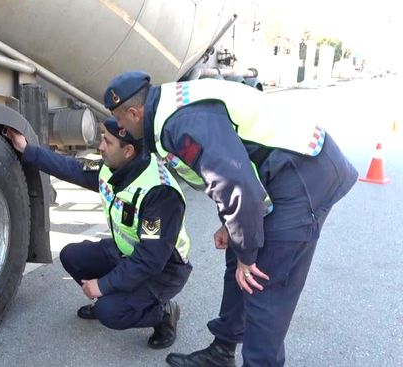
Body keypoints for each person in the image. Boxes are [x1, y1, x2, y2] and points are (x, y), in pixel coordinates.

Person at [102, 71, 358, 366]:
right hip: (280, 171)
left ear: (134, 113)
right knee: (240, 258)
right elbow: (231, 168)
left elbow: (235, 184)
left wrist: (248, 254)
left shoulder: (180, 123)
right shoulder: (170, 106)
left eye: (120, 122)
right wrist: (232, 228)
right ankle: (222, 352)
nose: (120, 128)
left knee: (263, 284)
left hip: (302, 175)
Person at [6, 119, 192, 349]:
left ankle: (163, 313)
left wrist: (103, 285)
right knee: (72, 256)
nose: (100, 146)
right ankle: (116, 298)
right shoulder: (112, 168)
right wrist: (27, 149)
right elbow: (71, 169)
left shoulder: (158, 194)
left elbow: (150, 259)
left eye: (107, 141)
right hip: (128, 253)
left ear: (128, 151)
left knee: (110, 312)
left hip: (164, 269)